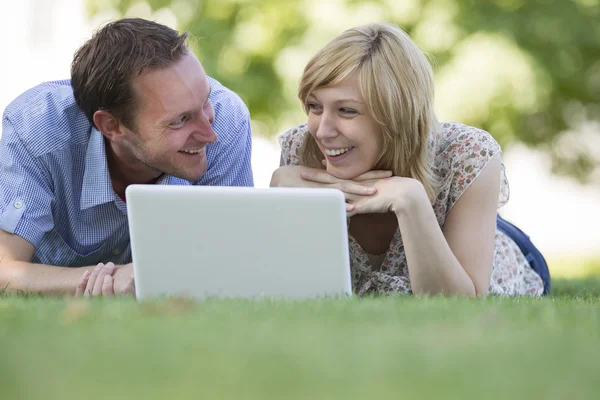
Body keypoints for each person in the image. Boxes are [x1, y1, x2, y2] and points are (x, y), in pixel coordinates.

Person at [270, 22, 549, 297]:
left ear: (397, 115)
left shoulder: (466, 154)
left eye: (346, 110)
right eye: (314, 106)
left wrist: (411, 201)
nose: (322, 130)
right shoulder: (301, 150)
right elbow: (289, 284)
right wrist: (279, 195)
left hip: (489, 242)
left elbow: (462, 304)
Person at [0, 18, 254, 297]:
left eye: (204, 101)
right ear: (112, 126)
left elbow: (234, 260)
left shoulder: (227, 117)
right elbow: (5, 269)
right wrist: (111, 279)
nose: (210, 134)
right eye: (180, 120)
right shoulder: (37, 128)